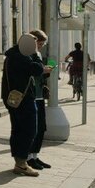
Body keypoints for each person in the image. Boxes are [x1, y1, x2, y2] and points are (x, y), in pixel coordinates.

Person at [1, 34, 51, 176]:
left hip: (13, 98)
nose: (36, 47)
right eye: (34, 45)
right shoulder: (22, 57)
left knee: (17, 130)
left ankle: (19, 162)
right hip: (23, 99)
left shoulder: (12, 55)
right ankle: (22, 163)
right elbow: (37, 69)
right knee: (29, 130)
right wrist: (36, 55)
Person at [27, 29, 52, 170]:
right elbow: (31, 71)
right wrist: (42, 70)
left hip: (39, 95)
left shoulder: (38, 54)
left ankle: (35, 156)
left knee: (41, 127)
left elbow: (39, 73)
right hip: (31, 96)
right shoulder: (27, 54)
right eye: (40, 44)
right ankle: (28, 158)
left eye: (43, 44)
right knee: (33, 128)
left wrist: (46, 72)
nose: (41, 47)